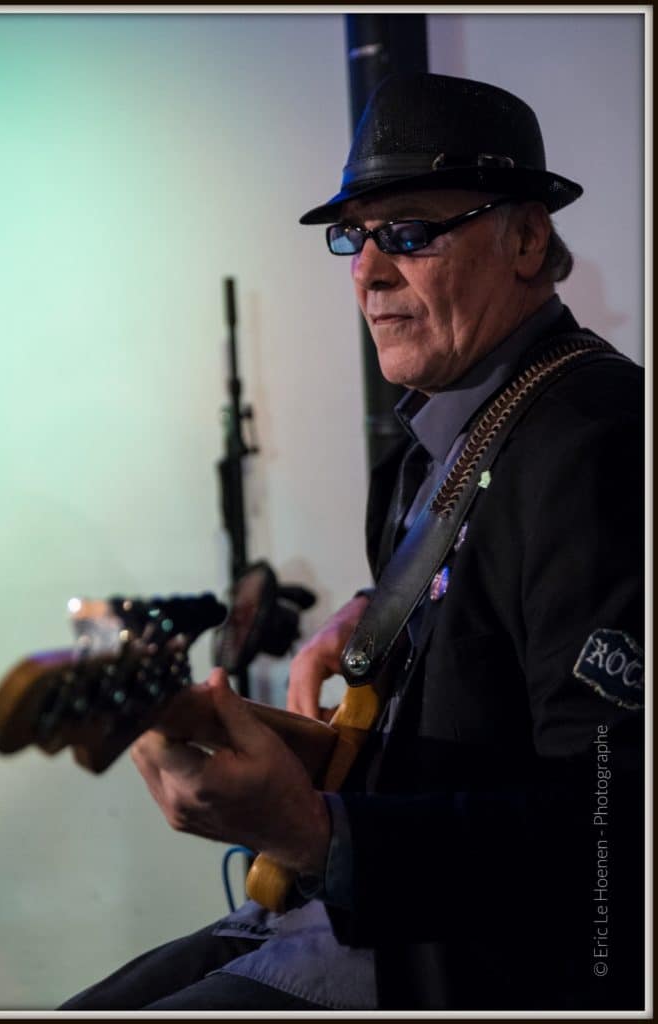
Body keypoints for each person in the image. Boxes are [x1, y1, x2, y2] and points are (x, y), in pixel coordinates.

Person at [61, 72, 644, 1011]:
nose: (367, 271)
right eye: (354, 235)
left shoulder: (602, 442)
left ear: (527, 239)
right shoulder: (428, 445)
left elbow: (616, 837)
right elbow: (493, 639)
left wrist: (316, 833)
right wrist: (378, 616)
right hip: (336, 917)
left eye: (408, 231)